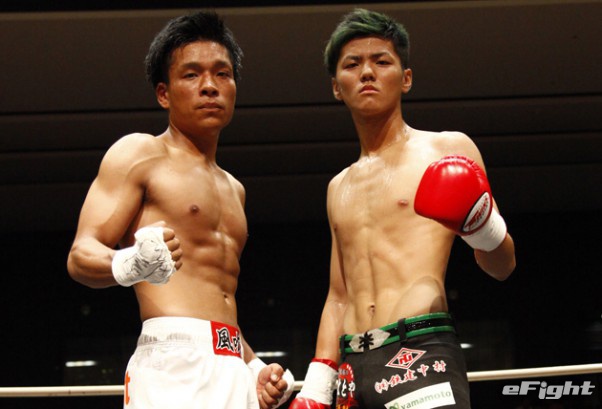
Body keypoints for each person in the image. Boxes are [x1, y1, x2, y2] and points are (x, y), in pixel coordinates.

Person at [290, 8, 516, 409]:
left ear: (406, 78)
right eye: (352, 64)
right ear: (337, 87)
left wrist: (481, 227)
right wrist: (316, 386)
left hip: (421, 351)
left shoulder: (447, 149)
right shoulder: (338, 186)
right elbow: (338, 296)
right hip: (352, 367)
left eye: (381, 61)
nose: (367, 72)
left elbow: (503, 266)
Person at [66, 11, 294, 409]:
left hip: (230, 365)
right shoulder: (140, 153)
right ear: (164, 93)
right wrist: (131, 263)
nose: (210, 86)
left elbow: (214, 300)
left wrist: (254, 365)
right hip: (171, 364)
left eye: (222, 74)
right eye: (192, 75)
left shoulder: (234, 189)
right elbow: (80, 256)